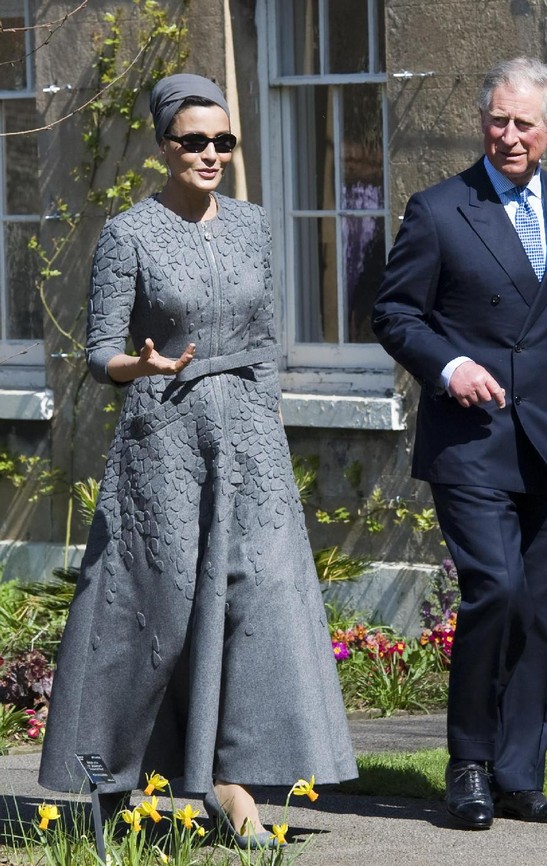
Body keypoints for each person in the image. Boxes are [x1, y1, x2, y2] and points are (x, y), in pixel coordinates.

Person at [39, 73, 357, 848]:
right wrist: (139, 369)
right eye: (194, 142)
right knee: (155, 610)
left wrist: (271, 430)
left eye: (224, 141)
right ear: (163, 148)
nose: (211, 153)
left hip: (249, 439)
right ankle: (109, 786)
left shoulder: (253, 226)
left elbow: (266, 342)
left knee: (257, 603)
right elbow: (96, 355)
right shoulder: (129, 233)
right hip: (164, 441)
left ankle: (233, 787)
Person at [372, 57, 547, 830]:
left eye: (523, 124)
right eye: (496, 120)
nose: (507, 136)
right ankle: (468, 764)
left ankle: (519, 775)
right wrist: (450, 365)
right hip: (472, 443)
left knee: (542, 613)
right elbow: (397, 315)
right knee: (497, 590)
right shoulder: (440, 209)